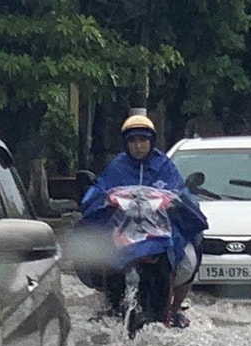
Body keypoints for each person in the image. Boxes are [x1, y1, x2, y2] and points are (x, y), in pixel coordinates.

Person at [81, 113, 202, 328]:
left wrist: (176, 203)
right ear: (126, 144)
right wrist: (102, 200)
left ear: (151, 141)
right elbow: (98, 191)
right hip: (122, 231)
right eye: (133, 141)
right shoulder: (117, 167)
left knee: (188, 257)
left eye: (143, 140)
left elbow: (181, 193)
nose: (138, 146)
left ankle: (173, 309)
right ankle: (112, 303)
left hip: (160, 233)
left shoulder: (165, 166)